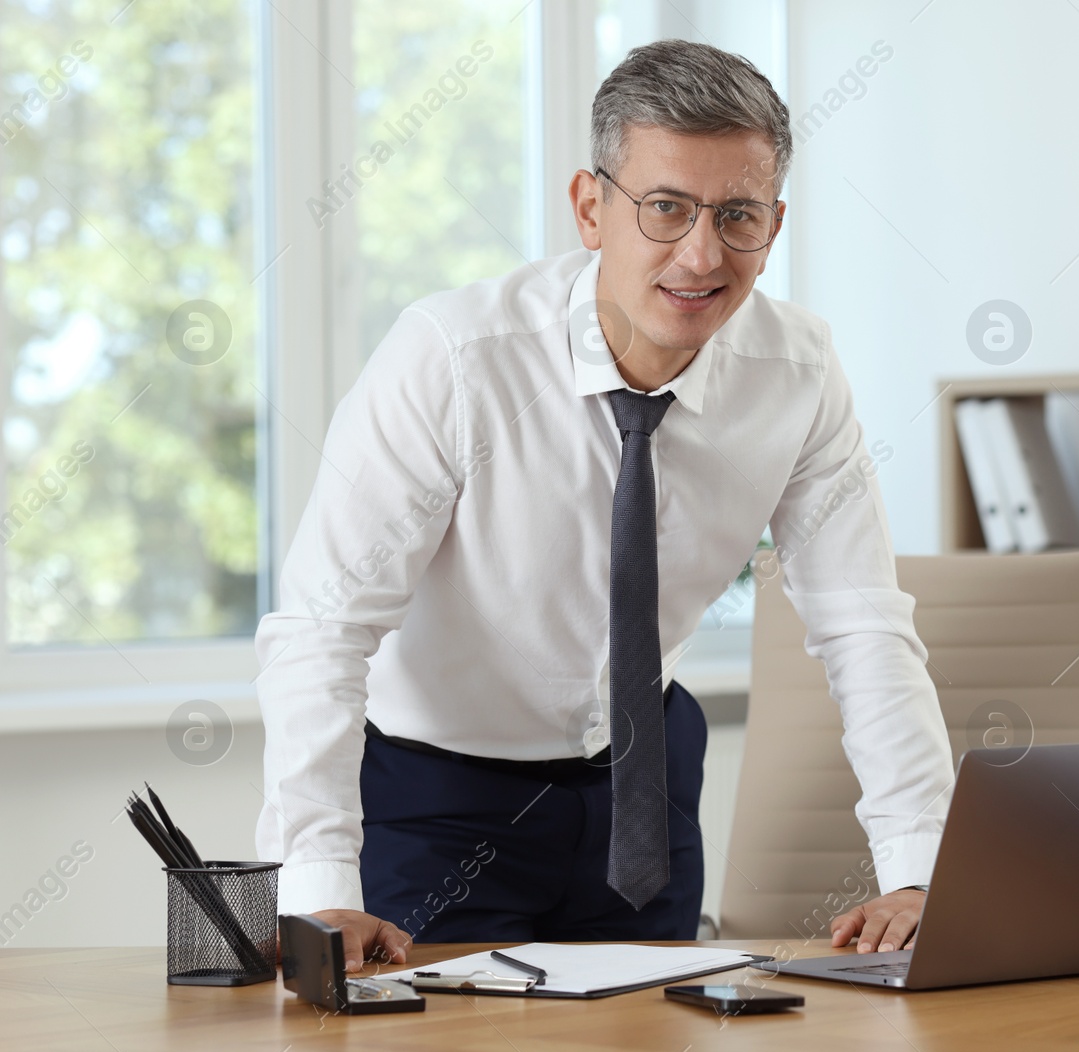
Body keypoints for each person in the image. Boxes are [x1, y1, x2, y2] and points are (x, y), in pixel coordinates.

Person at [255, 39, 954, 972]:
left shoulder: (799, 373)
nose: (701, 255)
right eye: (665, 208)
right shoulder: (455, 360)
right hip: (436, 792)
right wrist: (317, 888)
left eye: (737, 215)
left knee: (646, 1040)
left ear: (774, 226)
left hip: (645, 785)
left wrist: (919, 867)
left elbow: (862, 623)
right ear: (592, 208)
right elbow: (322, 627)